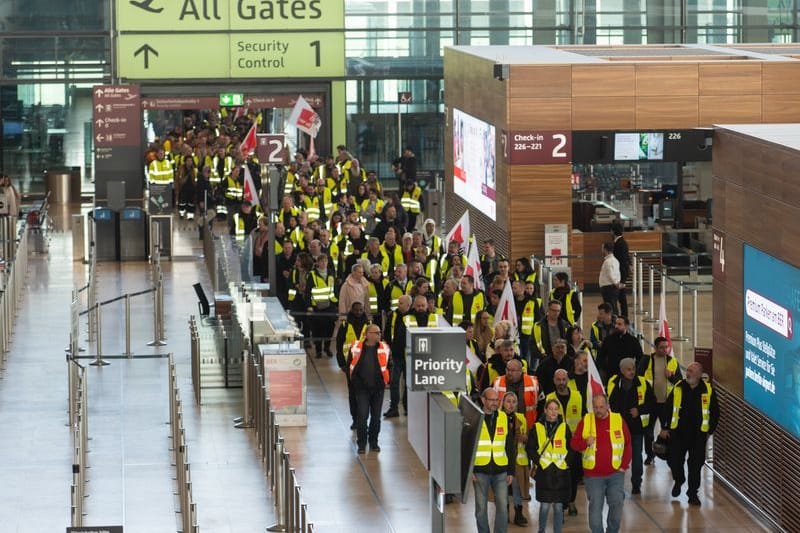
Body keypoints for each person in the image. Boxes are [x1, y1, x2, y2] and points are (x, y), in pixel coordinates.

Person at [570, 394, 632, 533]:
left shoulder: (618, 419)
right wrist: (585, 443)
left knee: (617, 504)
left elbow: (627, 444)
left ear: (608, 406)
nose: (598, 410)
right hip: (593, 476)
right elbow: (574, 444)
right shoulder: (586, 420)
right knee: (595, 512)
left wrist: (623, 466)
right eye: (596, 407)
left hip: (616, 473)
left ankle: (612, 530)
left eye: (601, 407)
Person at [660, 362, 719, 506]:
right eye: (688, 371)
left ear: (699, 375)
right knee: (674, 461)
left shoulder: (708, 390)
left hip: (698, 436)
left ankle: (692, 493)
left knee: (695, 466)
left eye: (692, 371)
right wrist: (665, 427)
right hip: (678, 434)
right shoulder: (678, 387)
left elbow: (715, 413)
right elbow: (667, 408)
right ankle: (679, 480)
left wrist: (709, 431)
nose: (688, 373)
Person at [607, 358, 655, 495]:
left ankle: (636, 484)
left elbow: (652, 403)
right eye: (629, 369)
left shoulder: (643, 383)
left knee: (637, 456)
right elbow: (609, 401)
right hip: (618, 428)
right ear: (622, 370)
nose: (632, 371)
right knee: (617, 457)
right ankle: (616, 484)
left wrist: (639, 410)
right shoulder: (614, 383)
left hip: (636, 428)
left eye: (633, 368)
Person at [526, 398, 573, 533]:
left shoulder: (564, 427)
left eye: (555, 409)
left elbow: (572, 448)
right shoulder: (537, 427)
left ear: (558, 411)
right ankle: (541, 530)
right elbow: (530, 448)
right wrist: (539, 462)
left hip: (560, 472)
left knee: (558, 506)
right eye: (550, 409)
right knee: (545, 506)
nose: (553, 412)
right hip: (544, 472)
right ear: (545, 410)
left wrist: (566, 462)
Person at [472, 387, 515, 533]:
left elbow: (510, 446)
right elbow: (466, 445)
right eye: (492, 400)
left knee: (503, 507)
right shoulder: (474, 416)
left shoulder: (503, 417)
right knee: (481, 509)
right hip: (480, 470)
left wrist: (511, 471)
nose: (495, 403)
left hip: (501, 470)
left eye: (497, 400)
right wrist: (468, 469)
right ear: (483, 400)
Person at [544, 369, 584, 516]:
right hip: (557, 445)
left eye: (563, 379)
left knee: (573, 475)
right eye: (558, 380)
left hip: (574, 444)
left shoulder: (578, 396)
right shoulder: (549, 398)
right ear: (554, 381)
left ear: (568, 380)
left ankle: (572, 501)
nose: (561, 382)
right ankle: (560, 504)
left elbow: (583, 418)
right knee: (558, 476)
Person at [637, 336, 682, 464]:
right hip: (650, 404)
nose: (664, 350)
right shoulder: (646, 360)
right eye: (661, 347)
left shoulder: (672, 361)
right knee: (648, 431)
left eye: (666, 347)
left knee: (668, 431)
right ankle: (650, 455)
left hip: (666, 405)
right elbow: (639, 378)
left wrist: (672, 376)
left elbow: (680, 381)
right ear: (655, 348)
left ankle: (670, 454)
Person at [348, 324, 391, 454]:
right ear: (367, 335)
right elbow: (350, 367)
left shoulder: (384, 348)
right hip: (362, 389)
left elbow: (390, 365)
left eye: (379, 332)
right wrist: (355, 384)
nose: (379, 335)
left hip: (378, 389)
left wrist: (386, 382)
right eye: (375, 332)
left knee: (376, 417)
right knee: (362, 415)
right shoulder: (356, 348)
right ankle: (361, 444)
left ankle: (374, 442)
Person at [336, 302, 370, 430]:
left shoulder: (368, 325)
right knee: (353, 394)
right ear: (352, 310)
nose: (359, 312)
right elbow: (339, 345)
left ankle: (363, 419)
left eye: (361, 310)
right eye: (356, 310)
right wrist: (342, 364)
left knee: (365, 394)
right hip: (350, 365)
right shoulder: (345, 325)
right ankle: (355, 419)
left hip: (366, 365)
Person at [500, 392, 528, 527]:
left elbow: (527, 437)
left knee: (517, 486)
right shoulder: (498, 417)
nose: (511, 404)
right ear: (503, 403)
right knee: (502, 486)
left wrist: (525, 438)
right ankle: (504, 512)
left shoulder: (522, 418)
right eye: (508, 401)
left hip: (517, 458)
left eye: (514, 402)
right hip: (501, 457)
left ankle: (518, 512)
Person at [383, 295, 412, 418]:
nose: (398, 305)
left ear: (408, 305)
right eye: (398, 302)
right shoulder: (393, 315)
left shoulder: (412, 317)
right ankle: (393, 408)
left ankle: (407, 407)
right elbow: (387, 332)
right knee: (394, 382)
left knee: (408, 383)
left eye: (401, 303)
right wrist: (390, 347)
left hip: (409, 355)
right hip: (396, 355)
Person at [305, 254, 337, 358]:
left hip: (330, 305)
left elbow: (334, 289)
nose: (324, 263)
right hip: (317, 306)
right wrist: (309, 305)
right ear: (317, 263)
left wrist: (335, 302)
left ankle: (327, 347)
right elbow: (308, 292)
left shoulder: (331, 273)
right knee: (317, 329)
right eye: (321, 261)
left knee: (330, 327)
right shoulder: (312, 275)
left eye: (325, 261)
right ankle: (318, 350)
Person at [597, 316, 643, 384]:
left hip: (628, 376)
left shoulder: (633, 341)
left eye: (619, 324)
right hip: (611, 375)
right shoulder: (608, 339)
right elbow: (601, 356)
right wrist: (605, 368)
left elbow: (640, 358)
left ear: (626, 326)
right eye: (616, 323)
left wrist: (633, 369)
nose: (616, 326)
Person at [532, 300, 569, 364]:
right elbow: (532, 343)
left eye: (558, 311)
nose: (556, 313)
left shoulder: (565, 325)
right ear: (548, 310)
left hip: (562, 359)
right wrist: (541, 356)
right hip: (545, 359)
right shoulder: (538, 325)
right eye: (553, 310)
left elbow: (570, 341)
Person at [611, 221, 631, 318]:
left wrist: (623, 278)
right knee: (621, 297)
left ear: (613, 231)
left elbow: (623, 260)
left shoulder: (620, 243)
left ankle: (623, 316)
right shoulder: (621, 242)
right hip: (620, 273)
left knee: (621, 298)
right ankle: (623, 316)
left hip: (620, 274)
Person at [599, 242, 621, 315]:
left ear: (605, 250)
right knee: (613, 306)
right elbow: (617, 274)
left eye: (602, 248)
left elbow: (610, 274)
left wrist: (615, 283)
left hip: (608, 288)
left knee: (610, 308)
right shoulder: (615, 260)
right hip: (611, 287)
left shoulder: (608, 261)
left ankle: (614, 322)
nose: (601, 250)